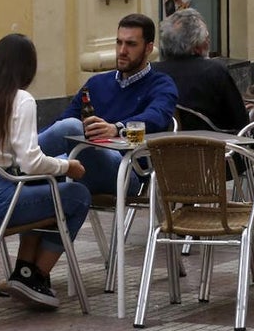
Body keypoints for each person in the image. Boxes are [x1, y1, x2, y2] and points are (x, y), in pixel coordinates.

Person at [0, 34, 91, 309]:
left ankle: (23, 272)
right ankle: (38, 276)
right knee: (76, 195)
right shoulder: (22, 100)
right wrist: (68, 166)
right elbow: (31, 163)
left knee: (41, 189)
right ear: (27, 67)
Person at [38, 13, 178, 196]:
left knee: (71, 128)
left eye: (131, 44)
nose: (122, 50)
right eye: (119, 42)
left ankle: (12, 160)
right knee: (65, 133)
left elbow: (157, 116)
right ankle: (19, 160)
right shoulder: (97, 83)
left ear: (148, 48)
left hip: (128, 170)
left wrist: (117, 128)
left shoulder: (161, 84)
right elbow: (62, 122)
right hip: (82, 164)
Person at [153, 8, 248, 133]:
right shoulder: (214, 70)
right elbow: (240, 120)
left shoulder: (153, 72)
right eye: (207, 38)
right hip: (213, 146)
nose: (209, 42)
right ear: (197, 46)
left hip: (162, 145)